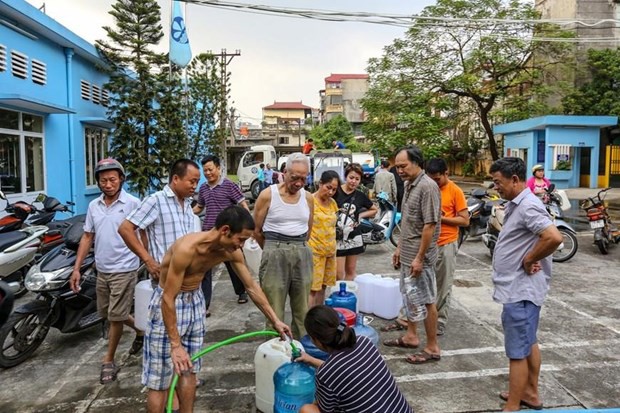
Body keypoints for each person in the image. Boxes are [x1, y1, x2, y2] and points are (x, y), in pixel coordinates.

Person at [142, 206, 292, 413]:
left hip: (196, 302)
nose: (241, 245)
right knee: (159, 379)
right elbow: (168, 297)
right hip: (169, 304)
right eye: (240, 239)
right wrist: (175, 346)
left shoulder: (230, 251)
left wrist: (275, 319)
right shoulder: (187, 249)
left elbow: (251, 286)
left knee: (189, 371)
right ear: (224, 230)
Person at [489, 157, 562, 412]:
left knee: (517, 350)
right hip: (520, 289)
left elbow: (553, 237)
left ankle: (513, 405)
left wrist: (530, 258)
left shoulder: (528, 205)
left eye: (498, 182)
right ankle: (530, 392)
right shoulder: (516, 203)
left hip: (521, 290)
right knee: (528, 341)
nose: (495, 187)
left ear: (515, 180)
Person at [69, 159, 142, 384]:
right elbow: (88, 236)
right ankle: (142, 330)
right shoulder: (94, 206)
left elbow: (143, 233)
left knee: (115, 317)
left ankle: (108, 359)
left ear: (121, 179)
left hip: (125, 267)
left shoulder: (132, 203)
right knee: (107, 312)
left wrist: (148, 260)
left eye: (112, 179)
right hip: (102, 269)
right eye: (103, 180)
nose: (108, 184)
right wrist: (76, 268)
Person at [297, 305, 414, 413]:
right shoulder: (364, 342)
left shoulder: (326, 374)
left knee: (307, 409)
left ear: (316, 340)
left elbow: (325, 409)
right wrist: (310, 359)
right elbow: (343, 372)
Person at [385, 146, 442, 365]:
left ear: (417, 163)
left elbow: (429, 226)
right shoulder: (409, 184)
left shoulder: (428, 187)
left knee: (427, 301)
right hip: (408, 253)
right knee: (410, 296)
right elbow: (408, 222)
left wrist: (419, 257)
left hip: (421, 257)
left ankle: (432, 346)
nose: (399, 170)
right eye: (397, 167)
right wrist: (399, 247)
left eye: (403, 166)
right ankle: (411, 335)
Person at [253, 153, 314, 338]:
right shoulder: (267, 195)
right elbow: (256, 230)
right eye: (294, 177)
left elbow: (308, 230)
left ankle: (302, 350)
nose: (298, 183)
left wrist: (298, 249)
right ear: (284, 172)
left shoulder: (308, 198)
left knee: (302, 309)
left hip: (302, 251)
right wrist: (272, 250)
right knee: (274, 308)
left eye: (303, 179)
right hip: (274, 249)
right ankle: (275, 352)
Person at [118, 159, 200, 289]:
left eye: (197, 182)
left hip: (187, 279)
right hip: (165, 280)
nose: (195, 186)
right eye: (192, 181)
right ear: (176, 179)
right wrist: (148, 261)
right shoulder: (156, 200)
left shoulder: (188, 205)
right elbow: (125, 229)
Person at [193, 155, 251, 315]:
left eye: (210, 169)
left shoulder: (229, 185)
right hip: (209, 233)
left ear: (219, 168)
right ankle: (205, 304)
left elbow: (242, 204)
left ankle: (242, 292)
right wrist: (185, 213)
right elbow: (199, 207)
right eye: (205, 170)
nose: (208, 173)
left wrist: (245, 228)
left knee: (234, 266)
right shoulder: (203, 188)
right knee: (205, 269)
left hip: (228, 235)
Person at [425, 158, 469, 336]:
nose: (434, 182)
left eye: (437, 179)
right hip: (426, 244)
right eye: (431, 179)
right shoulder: (427, 189)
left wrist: (440, 218)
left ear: (446, 174)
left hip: (446, 244)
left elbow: (465, 220)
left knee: (443, 286)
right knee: (423, 283)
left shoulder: (455, 191)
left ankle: (440, 321)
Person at [335, 163, 377, 281]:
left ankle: (349, 295)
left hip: (354, 237)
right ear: (345, 177)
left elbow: (374, 209)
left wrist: (360, 215)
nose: (353, 181)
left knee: (351, 271)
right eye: (351, 178)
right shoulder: (336, 192)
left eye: (357, 179)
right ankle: (340, 296)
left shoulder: (360, 195)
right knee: (338, 274)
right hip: (338, 237)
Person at [308, 171, 340, 308]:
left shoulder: (332, 203)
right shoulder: (310, 200)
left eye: (334, 189)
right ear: (320, 183)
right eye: (328, 187)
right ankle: (308, 320)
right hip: (314, 252)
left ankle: (319, 316)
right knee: (313, 289)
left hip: (330, 251)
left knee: (323, 286)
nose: (331, 192)